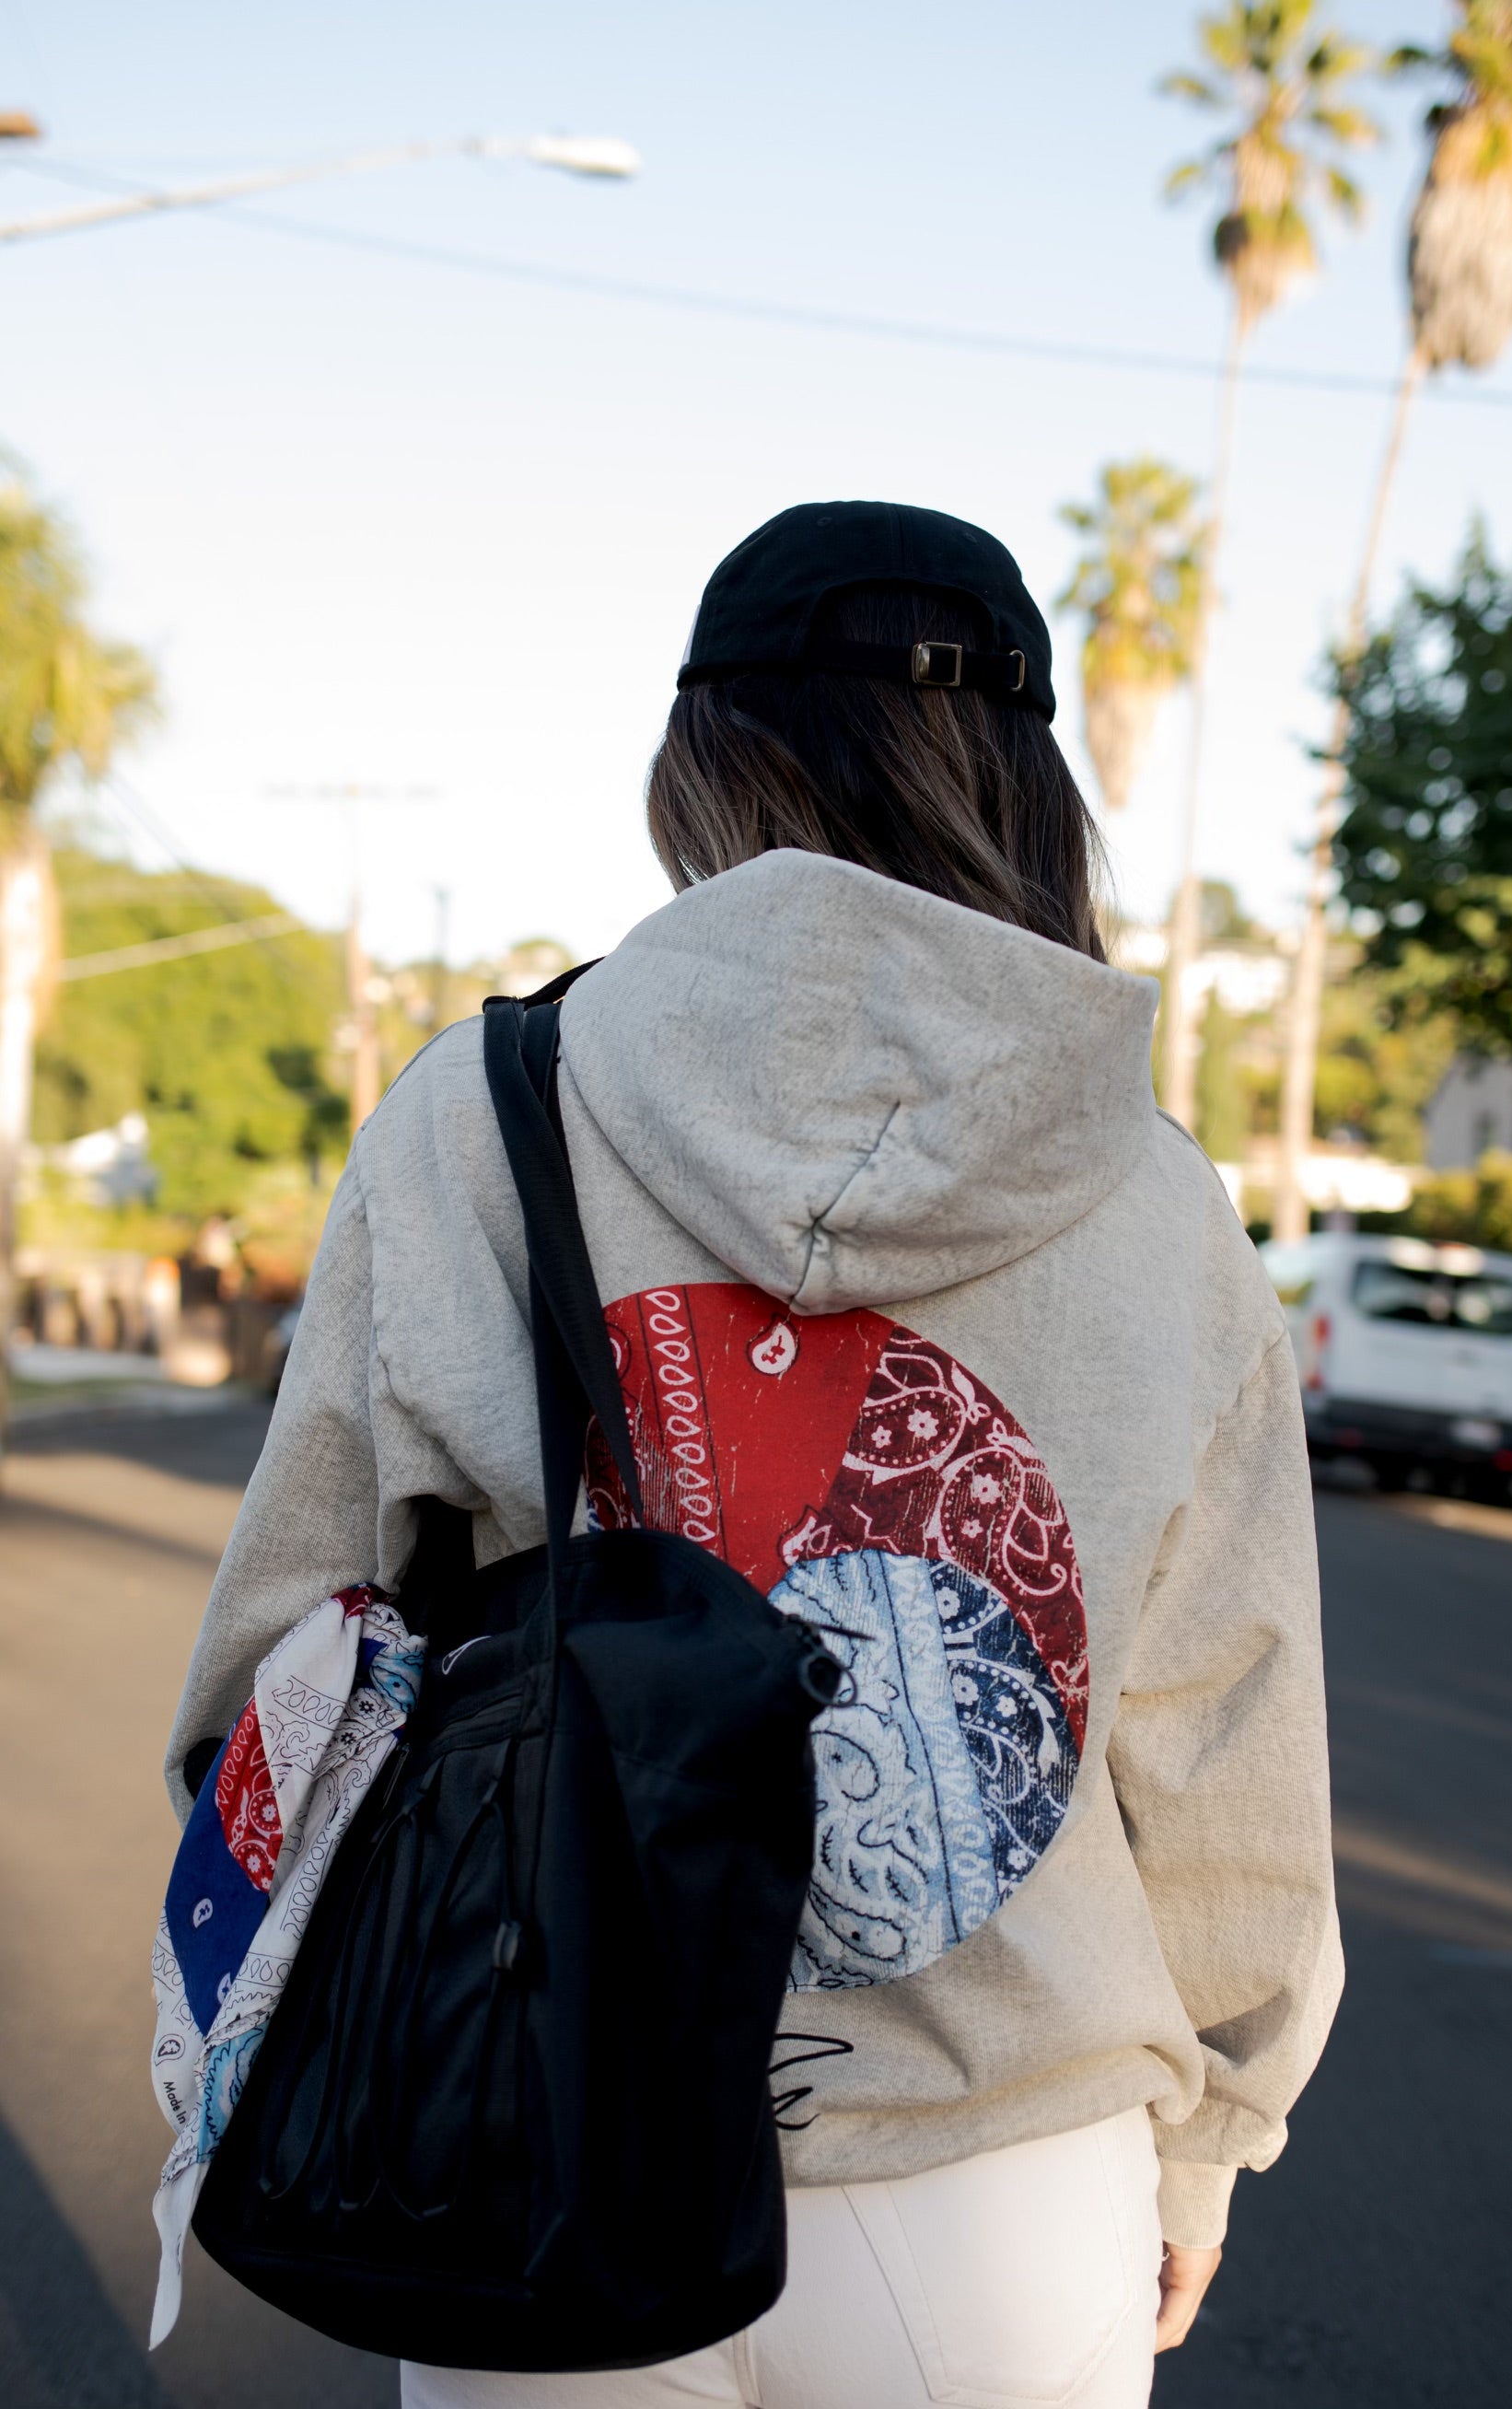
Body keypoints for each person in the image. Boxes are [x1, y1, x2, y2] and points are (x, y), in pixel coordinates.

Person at [166, 502, 1341, 2409]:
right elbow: (1223, 1731)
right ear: (1033, 787)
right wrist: (1212, 2124)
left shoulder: (478, 1115)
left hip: (521, 2115)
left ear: (699, 762)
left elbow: (289, 1670)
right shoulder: (1157, 1201)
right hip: (1002, 2173)